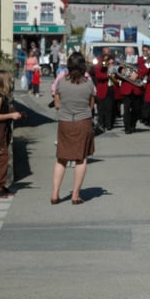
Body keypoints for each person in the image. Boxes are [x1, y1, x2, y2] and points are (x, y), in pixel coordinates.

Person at [51, 52, 96, 205]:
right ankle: (75, 195)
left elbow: (57, 105)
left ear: (69, 66)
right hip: (83, 121)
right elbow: (91, 106)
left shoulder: (61, 83)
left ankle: (55, 194)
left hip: (64, 122)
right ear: (83, 66)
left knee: (61, 159)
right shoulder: (89, 84)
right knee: (81, 159)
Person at [0, 70, 25, 198]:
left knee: (1, 158)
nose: (11, 82)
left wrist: (16, 114)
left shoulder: (1, 96)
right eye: (9, 80)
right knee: (1, 158)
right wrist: (11, 115)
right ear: (3, 82)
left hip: (2, 130)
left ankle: (0, 186)